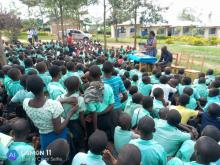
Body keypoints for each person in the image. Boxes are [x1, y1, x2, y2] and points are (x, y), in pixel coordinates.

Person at [23, 75, 77, 151]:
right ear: (43, 86)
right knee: (60, 155)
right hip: (58, 136)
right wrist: (69, 114)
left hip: (43, 135)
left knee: (47, 155)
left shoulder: (25, 103)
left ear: (28, 89)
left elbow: (46, 107)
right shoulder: (53, 105)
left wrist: (62, 101)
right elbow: (57, 130)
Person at [57, 76, 86, 152]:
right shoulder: (80, 100)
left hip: (63, 123)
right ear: (77, 87)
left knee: (68, 141)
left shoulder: (59, 97)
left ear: (65, 86)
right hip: (75, 123)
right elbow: (81, 117)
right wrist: (85, 128)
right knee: (79, 142)